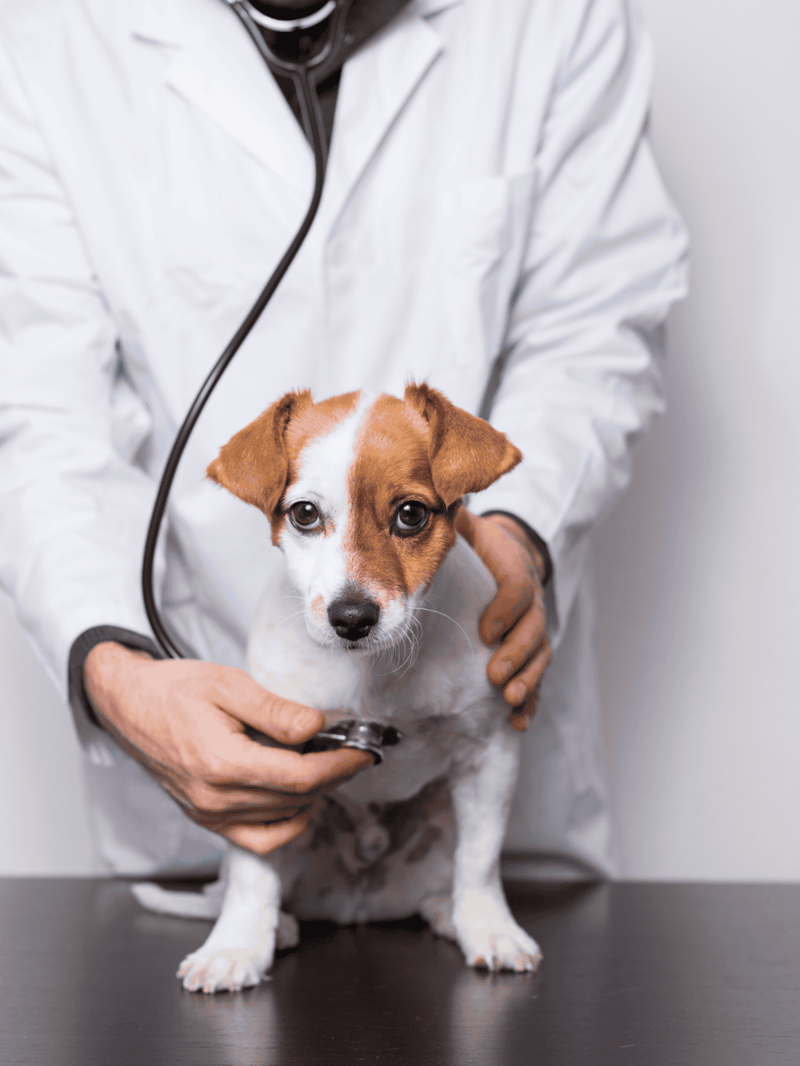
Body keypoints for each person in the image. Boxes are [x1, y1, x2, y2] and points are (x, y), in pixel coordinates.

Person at [0, 0, 687, 878]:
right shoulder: (53, 30)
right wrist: (112, 666)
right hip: (209, 783)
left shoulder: (556, 17)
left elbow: (596, 326)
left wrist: (520, 532)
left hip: (473, 784)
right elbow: (38, 403)